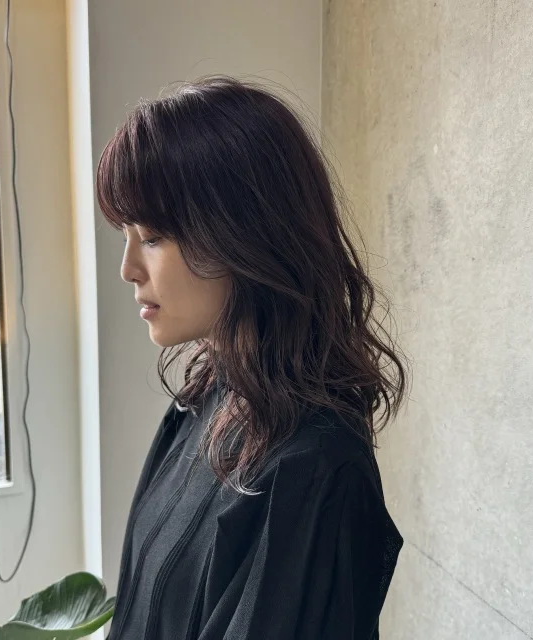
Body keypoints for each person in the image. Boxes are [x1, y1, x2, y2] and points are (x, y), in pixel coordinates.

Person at [96, 75, 408, 640]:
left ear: (242, 234)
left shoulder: (314, 472)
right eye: (127, 232)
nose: (128, 269)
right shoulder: (204, 400)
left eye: (154, 236)